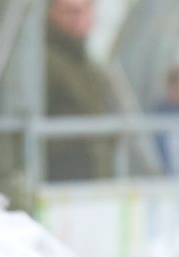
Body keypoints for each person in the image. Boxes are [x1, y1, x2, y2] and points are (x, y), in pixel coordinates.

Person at [44, 0, 117, 181]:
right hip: (59, 177)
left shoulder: (88, 62)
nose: (77, 19)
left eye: (84, 11)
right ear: (50, 13)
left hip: (92, 178)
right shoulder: (43, 61)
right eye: (70, 12)